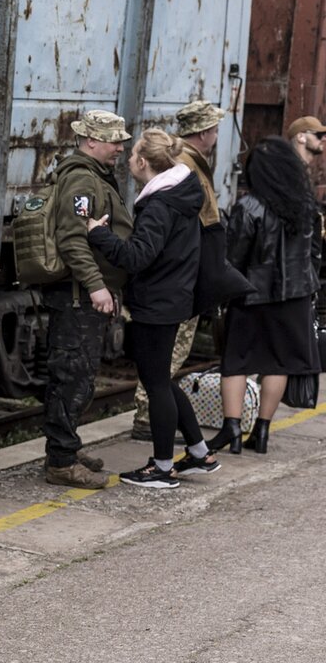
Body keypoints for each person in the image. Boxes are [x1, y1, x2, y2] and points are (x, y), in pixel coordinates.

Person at [86, 129, 219, 488]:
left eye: (132, 155)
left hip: (158, 303)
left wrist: (97, 234)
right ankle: (199, 452)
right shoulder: (180, 193)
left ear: (143, 162)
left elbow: (138, 256)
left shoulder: (159, 205)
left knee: (156, 382)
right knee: (162, 378)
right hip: (173, 297)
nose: (127, 159)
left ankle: (161, 468)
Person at [206, 137, 323, 455]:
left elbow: (234, 257)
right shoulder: (306, 205)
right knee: (278, 363)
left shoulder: (249, 206)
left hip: (252, 298)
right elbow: (314, 255)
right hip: (295, 298)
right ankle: (262, 431)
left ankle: (231, 429)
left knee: (236, 363)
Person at [39, 110, 133, 488]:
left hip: (82, 297)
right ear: (91, 140)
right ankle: (60, 463)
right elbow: (73, 240)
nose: (120, 149)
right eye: (114, 141)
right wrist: (96, 286)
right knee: (72, 377)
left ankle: (67, 447)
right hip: (78, 299)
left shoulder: (92, 176)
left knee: (79, 377)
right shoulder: (82, 179)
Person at [128, 100, 226, 441]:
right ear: (203, 131)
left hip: (178, 278)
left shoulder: (187, 162)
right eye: (214, 128)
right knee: (164, 367)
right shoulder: (185, 165)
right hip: (177, 280)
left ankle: (191, 445)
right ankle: (149, 419)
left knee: (164, 366)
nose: (216, 134)